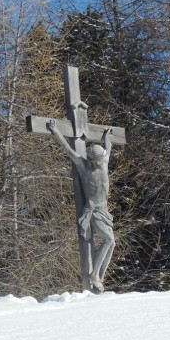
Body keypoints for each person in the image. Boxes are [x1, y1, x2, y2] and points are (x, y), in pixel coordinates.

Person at [47, 120, 115, 292]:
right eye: (95, 160)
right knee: (108, 240)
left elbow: (109, 147)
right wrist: (56, 131)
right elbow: (69, 150)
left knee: (112, 243)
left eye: (99, 159)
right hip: (93, 211)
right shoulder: (84, 167)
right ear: (90, 159)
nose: (98, 162)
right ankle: (94, 276)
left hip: (104, 211)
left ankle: (98, 276)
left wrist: (107, 136)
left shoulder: (104, 163)